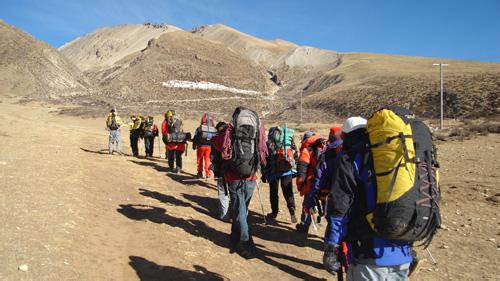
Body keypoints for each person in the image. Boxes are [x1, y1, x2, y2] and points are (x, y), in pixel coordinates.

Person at [323, 117, 413, 280]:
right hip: (403, 250)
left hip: (368, 252)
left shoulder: (350, 158)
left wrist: (332, 245)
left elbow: (340, 207)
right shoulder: (394, 155)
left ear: (346, 136)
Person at [213, 107, 268, 259]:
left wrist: (214, 138)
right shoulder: (259, 129)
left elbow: (220, 146)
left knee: (240, 211)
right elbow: (263, 148)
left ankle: (247, 243)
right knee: (241, 209)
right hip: (251, 175)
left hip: (233, 176)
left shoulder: (230, 130)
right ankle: (234, 237)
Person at [303, 125, 343, 221]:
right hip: (348, 196)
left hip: (328, 194)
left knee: (332, 220)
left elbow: (318, 180)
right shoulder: (351, 153)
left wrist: (309, 201)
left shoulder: (325, 156)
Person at [261, 125, 299, 224]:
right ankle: (292, 208)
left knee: (274, 192)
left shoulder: (268, 143)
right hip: (287, 169)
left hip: (273, 172)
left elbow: (264, 159)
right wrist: (295, 167)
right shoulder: (287, 141)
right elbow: (295, 154)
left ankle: (274, 212)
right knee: (288, 191)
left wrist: (264, 174)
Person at [295, 131, 325, 233]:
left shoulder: (306, 150)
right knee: (326, 205)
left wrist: (300, 185)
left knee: (307, 204)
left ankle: (304, 225)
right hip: (325, 181)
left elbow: (301, 171)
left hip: (311, 182)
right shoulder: (324, 148)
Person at [211, 121, 230, 221]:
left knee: (223, 193)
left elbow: (214, 158)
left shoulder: (216, 139)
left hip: (222, 171)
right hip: (235, 171)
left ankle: (225, 215)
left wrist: (215, 171)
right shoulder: (233, 137)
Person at [192, 113, 217, 179]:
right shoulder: (213, 129)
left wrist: (194, 145)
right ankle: (208, 174)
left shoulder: (200, 128)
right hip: (209, 147)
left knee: (200, 160)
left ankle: (200, 173)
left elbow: (195, 137)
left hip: (200, 146)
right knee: (207, 161)